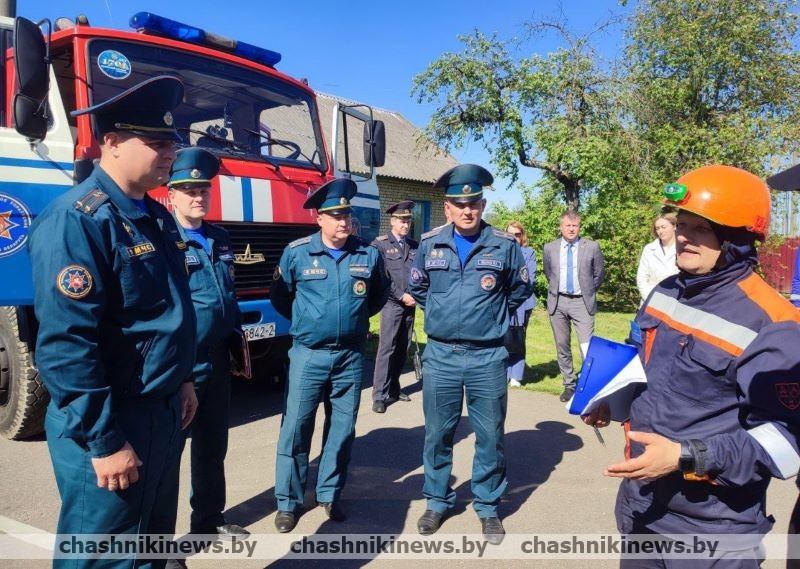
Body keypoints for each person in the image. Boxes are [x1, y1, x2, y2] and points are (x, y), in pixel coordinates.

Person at [585, 164, 800, 567]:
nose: (684, 237)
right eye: (681, 225)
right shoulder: (665, 292)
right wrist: (610, 400)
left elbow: (787, 444)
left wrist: (688, 456)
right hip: (644, 505)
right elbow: (642, 366)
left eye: (700, 229)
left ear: (736, 238)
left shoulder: (774, 323)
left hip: (713, 527)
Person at [28, 76, 198, 569]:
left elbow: (167, 313)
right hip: (112, 419)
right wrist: (105, 442)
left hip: (160, 411)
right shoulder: (77, 220)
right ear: (113, 142)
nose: (171, 153)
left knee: (149, 549)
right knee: (103, 555)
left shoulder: (156, 217)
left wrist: (182, 379)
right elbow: (65, 344)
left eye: (174, 142)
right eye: (158, 142)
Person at [408, 164, 533, 545]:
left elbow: (519, 291)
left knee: (490, 436)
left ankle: (488, 506)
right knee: (438, 434)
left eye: (473, 203)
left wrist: (487, 318)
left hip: (488, 357)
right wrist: (447, 317)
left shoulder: (504, 246)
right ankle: (437, 500)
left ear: (482, 204)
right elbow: (421, 288)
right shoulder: (430, 244)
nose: (467, 210)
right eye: (459, 204)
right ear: (447, 207)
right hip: (442, 355)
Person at [270, 179, 389, 532]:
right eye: (334, 215)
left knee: (341, 429)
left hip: (350, 356)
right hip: (308, 354)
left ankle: (329, 494)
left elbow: (378, 296)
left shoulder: (367, 254)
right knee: (296, 428)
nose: (343, 221)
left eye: (346, 214)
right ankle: (289, 502)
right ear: (318, 219)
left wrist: (350, 324)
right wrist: (310, 324)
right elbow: (281, 296)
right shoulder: (297, 253)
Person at [166, 148, 249, 542]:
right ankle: (159, 545)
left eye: (203, 189)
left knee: (213, 446)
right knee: (167, 457)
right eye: (188, 189)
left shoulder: (220, 237)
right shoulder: (164, 238)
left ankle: (208, 520)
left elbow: (225, 294)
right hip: (179, 365)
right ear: (172, 195)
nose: (198, 196)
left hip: (216, 362)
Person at [543, 211, 605, 402]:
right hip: (558, 302)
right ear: (561, 227)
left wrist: (587, 290)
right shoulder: (549, 248)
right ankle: (569, 384)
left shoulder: (592, 247)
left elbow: (599, 274)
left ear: (579, 227)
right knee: (562, 346)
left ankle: (588, 386)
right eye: (568, 225)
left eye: (575, 225)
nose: (571, 229)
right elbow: (548, 273)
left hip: (581, 302)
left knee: (587, 346)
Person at [371, 200, 418, 413]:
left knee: (402, 348)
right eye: (401, 220)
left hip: (411, 305)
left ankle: (394, 388)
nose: (405, 224)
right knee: (386, 349)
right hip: (391, 304)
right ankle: (379, 395)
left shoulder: (415, 245)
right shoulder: (380, 245)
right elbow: (380, 278)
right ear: (392, 221)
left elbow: (419, 276)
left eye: (408, 220)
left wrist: (416, 295)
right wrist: (401, 295)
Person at [505, 221, 537, 387]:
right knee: (503, 337)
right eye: (510, 234)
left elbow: (529, 279)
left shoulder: (529, 253)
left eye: (517, 234)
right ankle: (503, 372)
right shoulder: (500, 251)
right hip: (503, 302)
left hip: (523, 302)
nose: (514, 238)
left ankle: (516, 374)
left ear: (522, 236)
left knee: (518, 336)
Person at [636, 212, 678, 303]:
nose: (660, 231)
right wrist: (652, 299)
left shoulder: (684, 249)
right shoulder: (649, 249)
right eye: (657, 228)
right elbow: (641, 278)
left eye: (664, 227)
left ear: (674, 226)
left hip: (676, 302)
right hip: (650, 300)